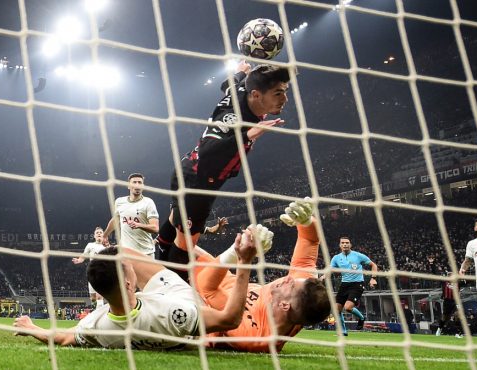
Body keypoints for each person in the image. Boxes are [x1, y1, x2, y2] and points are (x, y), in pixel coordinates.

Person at [13, 227, 259, 349]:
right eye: (128, 269)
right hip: (180, 297)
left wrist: (32, 327)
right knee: (123, 251)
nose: (131, 267)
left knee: (117, 253)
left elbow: (64, 337)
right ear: (130, 283)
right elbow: (229, 319)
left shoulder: (97, 326)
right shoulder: (173, 314)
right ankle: (228, 253)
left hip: (143, 307)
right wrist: (245, 262)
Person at [167, 61, 290, 252]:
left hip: (194, 174)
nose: (285, 98)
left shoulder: (243, 91)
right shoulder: (232, 119)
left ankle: (160, 251)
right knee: (185, 249)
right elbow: (208, 150)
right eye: (278, 93)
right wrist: (248, 134)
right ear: (256, 94)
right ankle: (171, 278)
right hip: (198, 183)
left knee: (174, 227)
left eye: (285, 91)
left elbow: (227, 86)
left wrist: (239, 73)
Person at [189, 198, 330, 352]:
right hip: (221, 279)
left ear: (284, 305)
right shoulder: (301, 292)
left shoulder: (254, 336)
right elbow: (309, 240)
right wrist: (307, 221)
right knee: (180, 243)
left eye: (291, 285)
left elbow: (206, 288)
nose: (289, 278)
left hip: (196, 299)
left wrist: (237, 253)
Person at [330, 236, 378, 336]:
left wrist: (373, 278)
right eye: (343, 243)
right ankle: (343, 331)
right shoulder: (336, 258)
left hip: (357, 284)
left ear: (350, 244)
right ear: (340, 245)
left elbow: (373, 265)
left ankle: (361, 317)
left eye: (347, 242)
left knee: (347, 308)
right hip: (344, 284)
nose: (345, 244)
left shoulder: (358, 256)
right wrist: (322, 277)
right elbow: (330, 270)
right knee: (337, 309)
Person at [103, 173, 159, 257]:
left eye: (140, 182)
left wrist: (138, 225)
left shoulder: (148, 202)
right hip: (126, 253)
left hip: (146, 252)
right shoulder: (119, 202)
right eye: (134, 182)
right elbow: (115, 220)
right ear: (128, 186)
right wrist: (105, 235)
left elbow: (155, 228)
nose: (137, 185)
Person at [72, 227, 107, 307]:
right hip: (92, 272)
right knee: (93, 298)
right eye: (97, 232)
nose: (99, 234)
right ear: (94, 236)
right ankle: (95, 308)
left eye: (100, 232)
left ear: (103, 235)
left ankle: (98, 315)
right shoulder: (90, 245)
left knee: (99, 296)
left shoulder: (106, 247)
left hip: (102, 272)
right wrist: (79, 260)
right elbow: (84, 255)